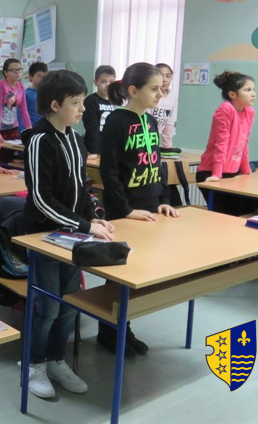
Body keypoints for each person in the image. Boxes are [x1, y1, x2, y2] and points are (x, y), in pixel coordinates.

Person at [22, 69, 115, 398]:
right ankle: (33, 365)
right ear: (55, 105)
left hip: (74, 237)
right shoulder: (39, 141)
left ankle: (56, 360)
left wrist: (96, 218)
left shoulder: (76, 140)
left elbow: (82, 187)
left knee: (70, 305)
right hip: (45, 237)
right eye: (76, 103)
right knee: (47, 307)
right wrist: (85, 225)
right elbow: (41, 199)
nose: (83, 109)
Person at [98, 62, 180, 356]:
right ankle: (109, 331)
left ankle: (124, 327)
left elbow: (157, 164)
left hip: (150, 208)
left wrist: (164, 199)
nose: (160, 93)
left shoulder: (151, 121)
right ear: (133, 90)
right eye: (154, 89)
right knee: (119, 272)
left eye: (161, 88)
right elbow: (109, 172)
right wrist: (125, 210)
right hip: (125, 211)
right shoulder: (116, 121)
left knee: (139, 272)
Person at [196, 71, 258, 215]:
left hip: (232, 173)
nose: (253, 94)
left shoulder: (249, 112)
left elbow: (244, 142)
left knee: (243, 212)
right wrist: (217, 174)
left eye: (253, 89)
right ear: (232, 94)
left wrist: (246, 171)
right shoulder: (225, 109)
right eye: (248, 90)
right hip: (211, 172)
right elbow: (221, 143)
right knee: (224, 217)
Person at [82, 65, 117, 155]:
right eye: (103, 81)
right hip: (95, 149)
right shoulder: (91, 101)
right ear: (95, 82)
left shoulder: (117, 101)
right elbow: (92, 129)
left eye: (111, 82)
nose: (107, 85)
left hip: (113, 148)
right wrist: (95, 151)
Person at [0, 58, 31, 140]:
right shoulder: (0, 85)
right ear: (5, 72)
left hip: (13, 127)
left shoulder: (20, 86)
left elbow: (24, 110)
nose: (17, 72)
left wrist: (29, 129)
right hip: (0, 128)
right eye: (14, 70)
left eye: (19, 69)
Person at [148, 63, 176, 149]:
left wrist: (168, 148)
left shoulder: (172, 95)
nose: (164, 80)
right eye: (161, 76)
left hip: (154, 139)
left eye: (168, 76)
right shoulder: (148, 94)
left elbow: (169, 123)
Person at [24, 61, 48, 127]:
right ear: (30, 77)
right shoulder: (26, 94)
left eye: (45, 76)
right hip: (33, 129)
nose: (43, 79)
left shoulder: (49, 93)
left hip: (47, 129)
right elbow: (21, 115)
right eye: (39, 76)